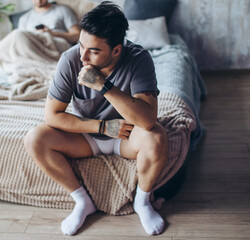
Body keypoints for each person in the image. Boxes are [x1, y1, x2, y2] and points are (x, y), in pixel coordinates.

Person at [24, 1, 168, 236]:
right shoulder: (70, 59)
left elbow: (148, 120)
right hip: (86, 136)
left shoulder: (139, 58)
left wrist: (103, 85)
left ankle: (142, 202)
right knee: (34, 138)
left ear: (116, 50)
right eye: (81, 45)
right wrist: (102, 127)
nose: (83, 56)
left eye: (94, 50)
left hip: (127, 136)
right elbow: (51, 116)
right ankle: (82, 202)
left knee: (157, 137)